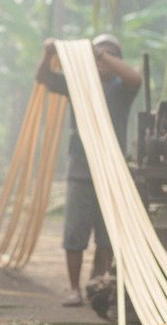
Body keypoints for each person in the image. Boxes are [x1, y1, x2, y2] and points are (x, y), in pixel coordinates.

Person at [35, 34, 142, 306]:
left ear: (116, 58)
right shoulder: (79, 85)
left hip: (112, 172)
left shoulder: (121, 89)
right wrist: (48, 54)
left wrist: (101, 54)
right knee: (75, 233)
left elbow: (136, 79)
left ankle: (99, 285)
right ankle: (74, 289)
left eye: (110, 54)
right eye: (98, 54)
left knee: (107, 236)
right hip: (80, 170)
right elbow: (44, 78)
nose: (102, 58)